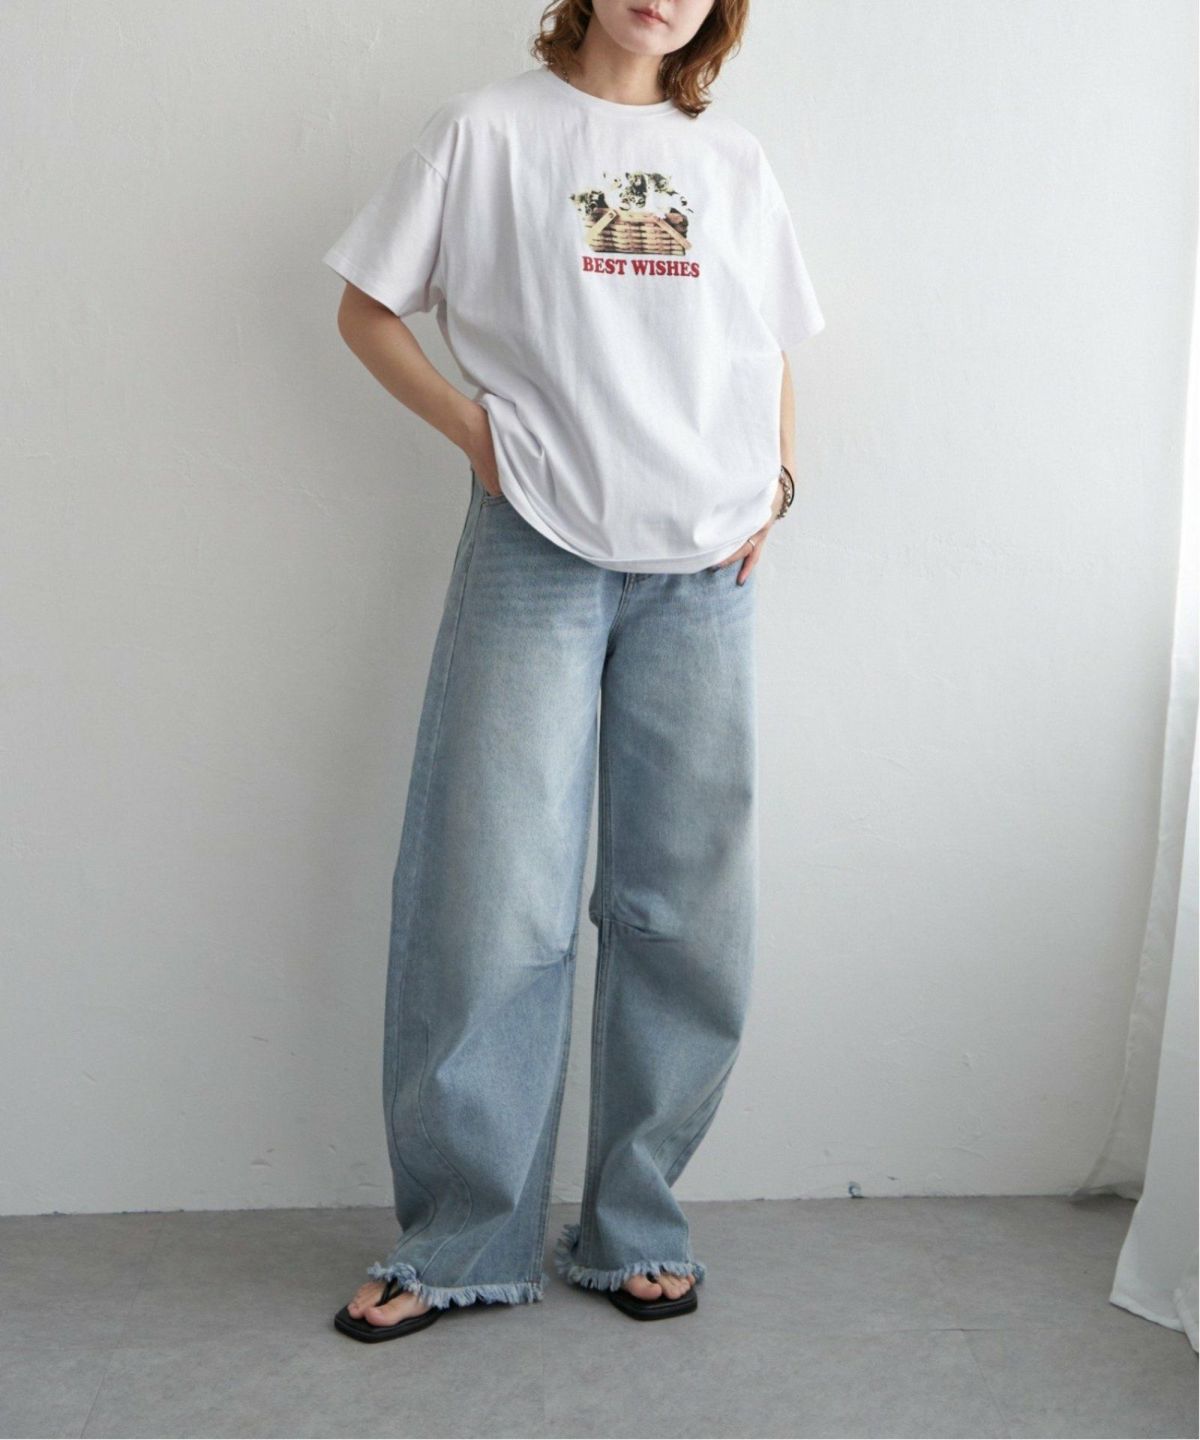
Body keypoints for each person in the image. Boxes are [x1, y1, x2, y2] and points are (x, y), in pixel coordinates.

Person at [324, 0, 825, 1341]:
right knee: (492, 896)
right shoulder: (485, 133)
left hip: (706, 567)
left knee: (686, 909)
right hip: (537, 543)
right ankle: (461, 1238)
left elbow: (767, 341)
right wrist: (475, 434)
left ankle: (637, 1223)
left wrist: (777, 485)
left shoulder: (733, 161)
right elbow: (366, 310)